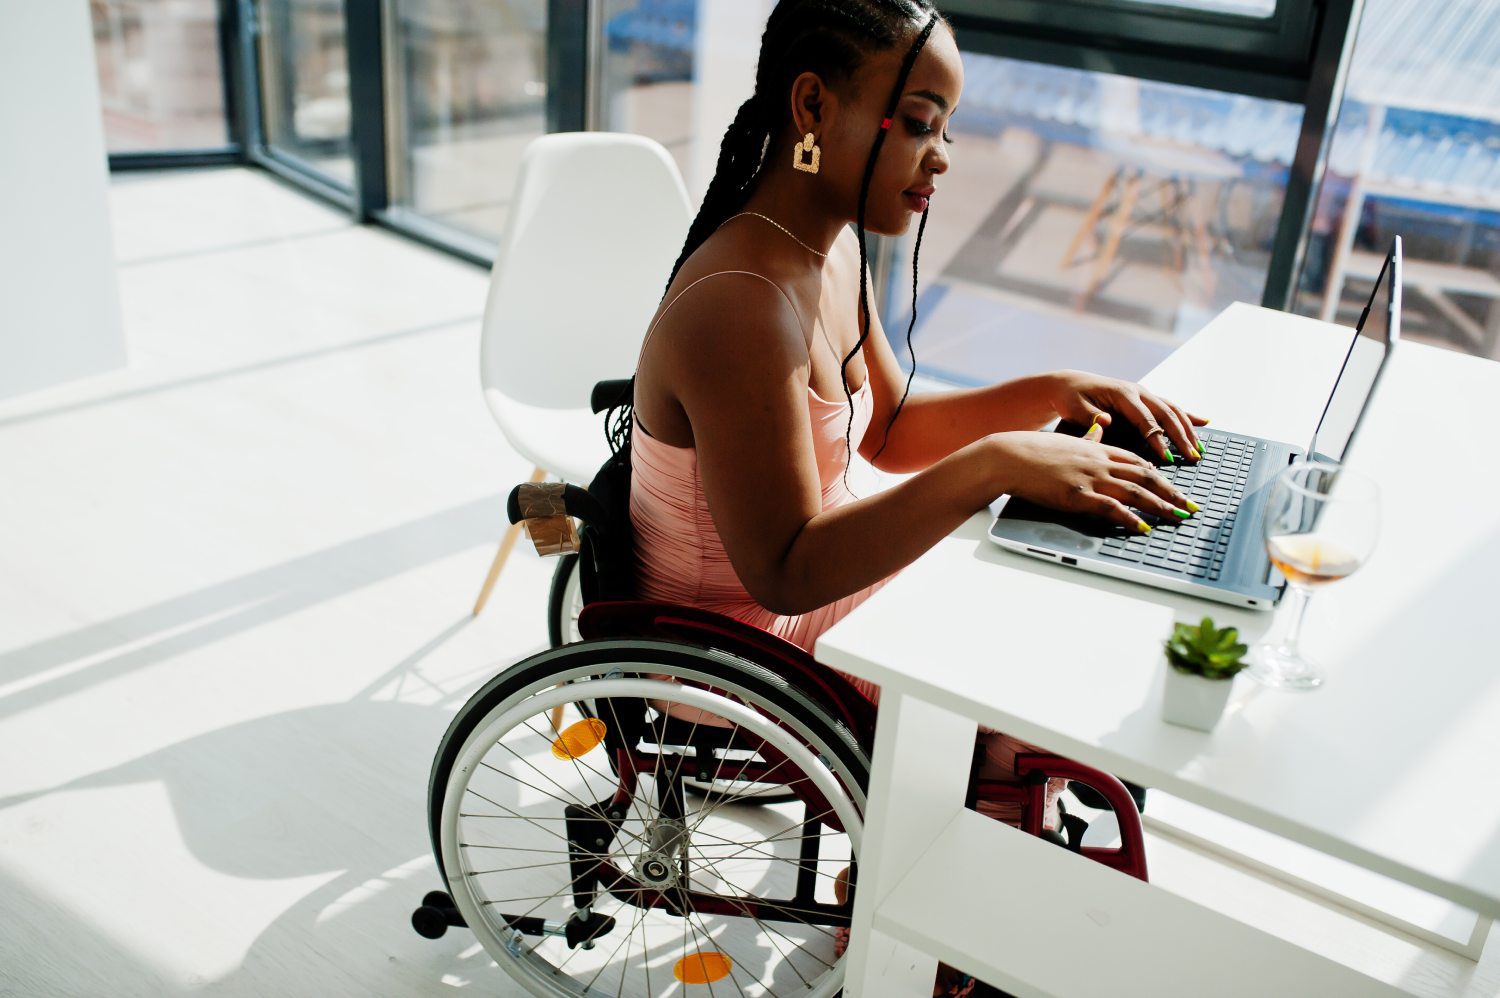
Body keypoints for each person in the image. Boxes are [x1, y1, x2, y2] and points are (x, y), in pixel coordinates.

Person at [623, 1, 1204, 993]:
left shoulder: (827, 246)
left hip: (809, 585)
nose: (942, 157)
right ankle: (924, 933)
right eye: (923, 122)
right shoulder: (741, 305)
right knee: (1014, 695)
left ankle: (976, 866)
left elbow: (885, 427)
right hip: (736, 635)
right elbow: (783, 566)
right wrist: (994, 465)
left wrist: (1051, 393)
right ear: (814, 105)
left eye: (946, 127)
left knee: (1048, 611)